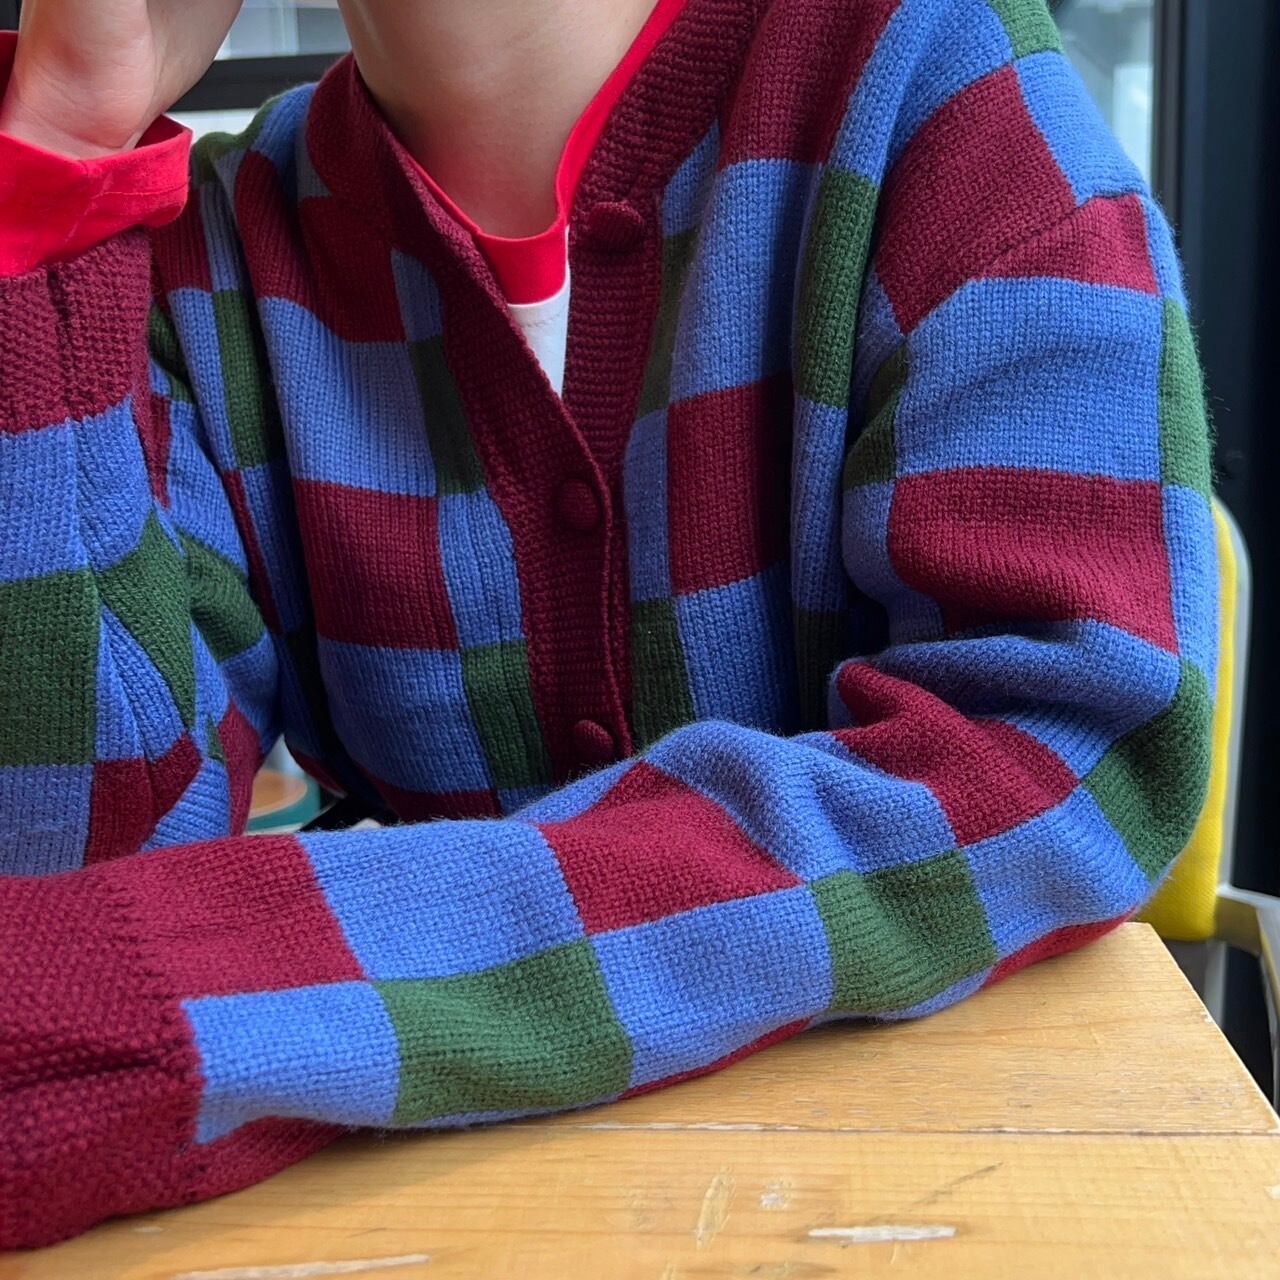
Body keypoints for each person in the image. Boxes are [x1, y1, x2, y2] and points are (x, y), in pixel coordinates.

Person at [0, 0, 1216, 1249]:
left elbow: (1067, 754)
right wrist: (56, 159)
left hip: (937, 1201)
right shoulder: (214, 246)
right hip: (449, 1223)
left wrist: (260, 981)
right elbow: (59, 897)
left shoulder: (933, 77)